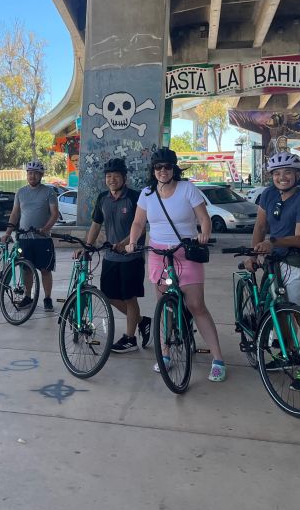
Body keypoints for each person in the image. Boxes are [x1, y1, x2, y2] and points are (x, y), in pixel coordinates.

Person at [126, 147, 227, 382]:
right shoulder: (147, 194)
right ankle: (166, 354)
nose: (163, 171)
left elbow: (203, 218)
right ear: (153, 170)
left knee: (196, 305)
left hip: (186, 252)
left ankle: (218, 359)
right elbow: (138, 222)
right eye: (158, 167)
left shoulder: (187, 189)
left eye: (167, 167)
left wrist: (204, 233)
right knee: (164, 305)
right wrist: (132, 241)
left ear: (174, 169)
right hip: (158, 254)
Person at [245, 152, 300, 391]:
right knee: (278, 312)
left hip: (297, 263)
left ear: (297, 175)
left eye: (287, 172)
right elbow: (260, 225)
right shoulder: (268, 195)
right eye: (276, 173)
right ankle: (290, 354)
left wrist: (273, 242)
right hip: (274, 263)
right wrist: (254, 253)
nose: (281, 177)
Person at [78, 158, 151, 353]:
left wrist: (125, 243)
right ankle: (142, 321)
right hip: (110, 257)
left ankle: (130, 339)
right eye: (108, 176)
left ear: (124, 178)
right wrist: (87, 246)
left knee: (129, 298)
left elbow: (142, 227)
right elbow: (96, 225)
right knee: (109, 296)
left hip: (131, 257)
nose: (112, 180)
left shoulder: (135, 198)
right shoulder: (103, 198)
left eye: (116, 176)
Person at [1, 160, 59, 311]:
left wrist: (45, 228)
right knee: (26, 269)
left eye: (35, 173)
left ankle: (47, 298)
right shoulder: (20, 192)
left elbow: (54, 214)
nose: (32, 176)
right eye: (29, 173)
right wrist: (8, 232)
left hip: (42, 239)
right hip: (24, 238)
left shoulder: (49, 192)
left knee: (45, 270)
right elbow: (15, 214)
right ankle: (28, 297)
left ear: (41, 175)